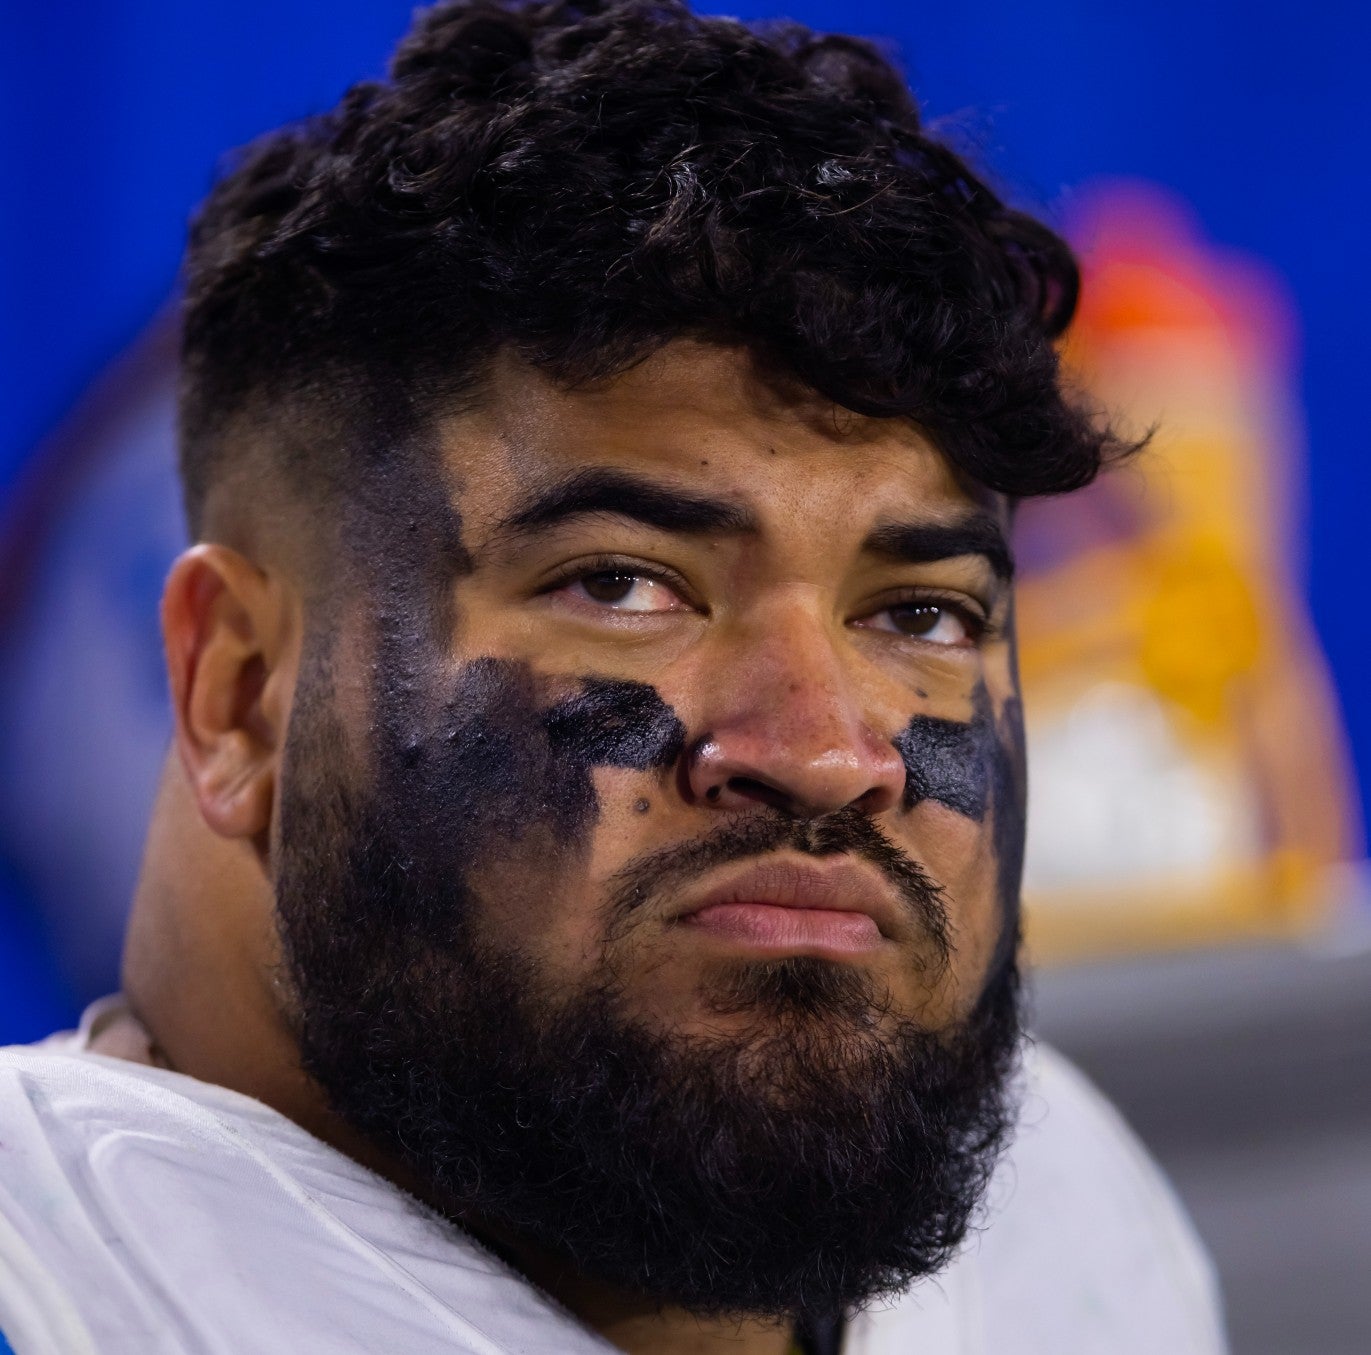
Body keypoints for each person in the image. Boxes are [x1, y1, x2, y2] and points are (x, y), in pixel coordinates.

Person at [0, 2, 1227, 1352]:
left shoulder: (1069, 1223)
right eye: (624, 587)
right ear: (236, 692)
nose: (829, 754)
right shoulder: (46, 1287)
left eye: (921, 612)